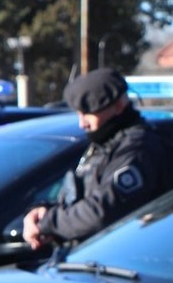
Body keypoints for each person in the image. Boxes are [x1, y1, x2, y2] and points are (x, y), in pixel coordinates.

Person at [23, 67, 173, 250]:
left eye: (88, 113)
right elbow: (82, 196)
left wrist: (49, 222)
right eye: (79, 114)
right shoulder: (105, 145)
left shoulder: (138, 149)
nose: (82, 123)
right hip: (88, 259)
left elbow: (102, 212)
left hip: (121, 261)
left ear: (119, 106)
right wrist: (42, 211)